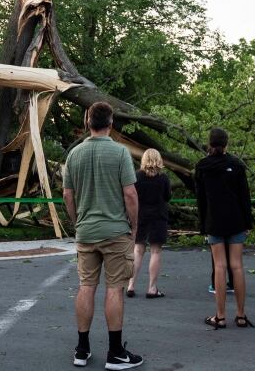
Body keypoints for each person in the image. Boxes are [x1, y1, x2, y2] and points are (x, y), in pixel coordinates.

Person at [63, 102, 143, 369]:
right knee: (114, 288)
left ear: (88, 123)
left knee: (86, 286)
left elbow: (67, 195)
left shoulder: (74, 155)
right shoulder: (120, 153)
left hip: (86, 232)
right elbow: (130, 194)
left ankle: (82, 349)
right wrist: (134, 227)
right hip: (115, 231)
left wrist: (78, 222)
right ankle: (116, 352)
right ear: (111, 123)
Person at [196, 128, 254, 329]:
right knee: (237, 266)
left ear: (209, 144)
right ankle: (240, 315)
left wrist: (203, 225)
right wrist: (248, 223)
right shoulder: (236, 165)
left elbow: (201, 199)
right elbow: (244, 197)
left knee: (219, 266)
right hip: (236, 220)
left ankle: (220, 316)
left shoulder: (203, 166)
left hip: (214, 221)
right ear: (226, 143)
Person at [126, 148, 170, 299]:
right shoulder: (163, 178)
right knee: (155, 251)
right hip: (158, 217)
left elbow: (131, 195)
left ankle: (131, 285)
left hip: (141, 217)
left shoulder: (136, 176)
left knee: (138, 251)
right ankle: (152, 288)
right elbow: (167, 197)